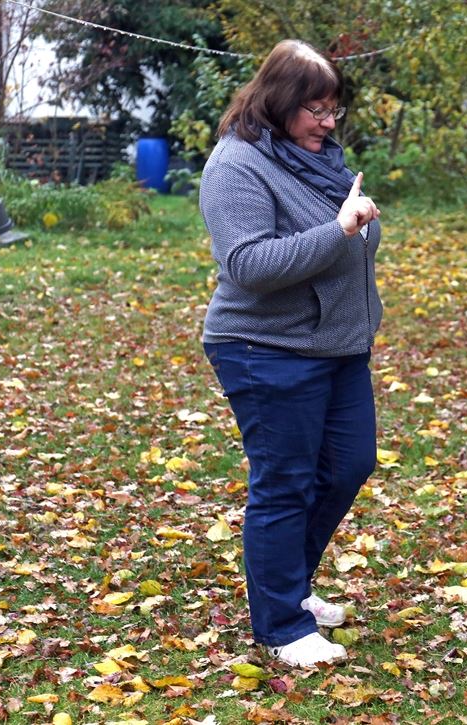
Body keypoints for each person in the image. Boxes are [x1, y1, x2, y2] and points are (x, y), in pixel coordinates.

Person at [199, 39, 382, 668]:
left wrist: (347, 229)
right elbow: (248, 264)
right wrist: (339, 230)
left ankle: (285, 586)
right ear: (280, 102)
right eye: (317, 111)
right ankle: (280, 626)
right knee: (285, 485)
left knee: (351, 463)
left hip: (336, 347)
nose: (329, 124)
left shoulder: (320, 159)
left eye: (335, 112)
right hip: (264, 347)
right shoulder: (237, 165)